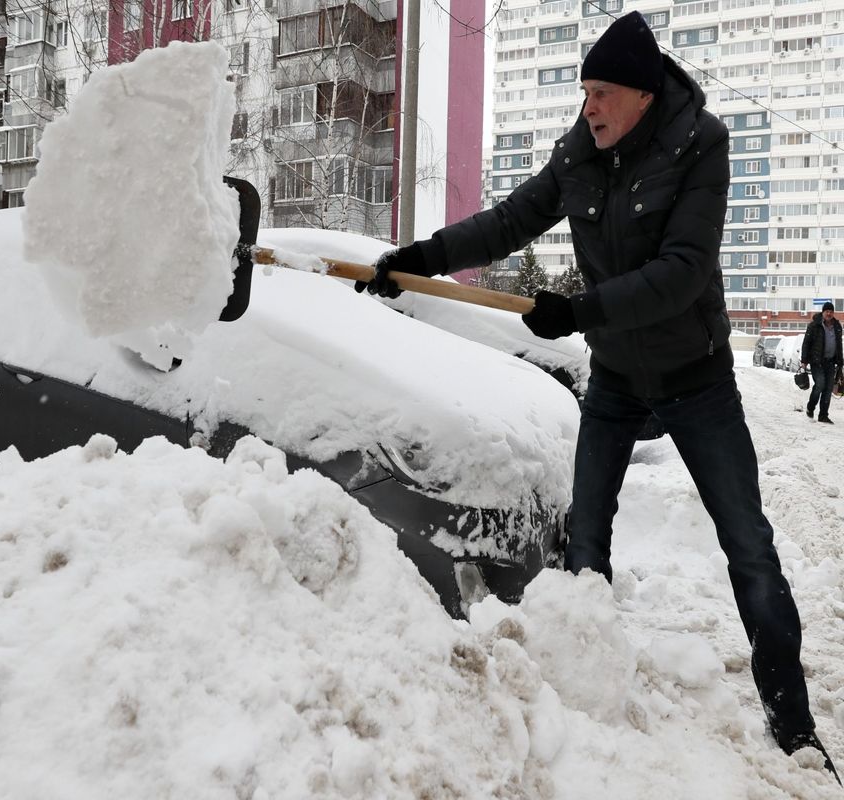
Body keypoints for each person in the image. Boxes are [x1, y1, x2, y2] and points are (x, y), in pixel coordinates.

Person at [358, 10, 838, 781]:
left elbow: (682, 271)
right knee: (587, 537)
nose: (589, 107)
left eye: (602, 92)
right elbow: (511, 221)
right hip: (616, 375)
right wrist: (421, 255)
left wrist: (579, 311)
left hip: (697, 376)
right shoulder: (580, 154)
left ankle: (793, 722)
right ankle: (588, 683)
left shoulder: (701, 146)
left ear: (644, 96)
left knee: (748, 545)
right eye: (584, 92)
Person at [800, 302, 842, 424]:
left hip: (830, 362)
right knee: (820, 384)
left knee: (828, 389)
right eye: (827, 311)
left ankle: (823, 415)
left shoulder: (837, 326)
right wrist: (804, 360)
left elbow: (839, 345)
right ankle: (810, 407)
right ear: (823, 312)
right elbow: (806, 343)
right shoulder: (814, 325)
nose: (829, 313)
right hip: (817, 361)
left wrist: (840, 362)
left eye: (831, 311)